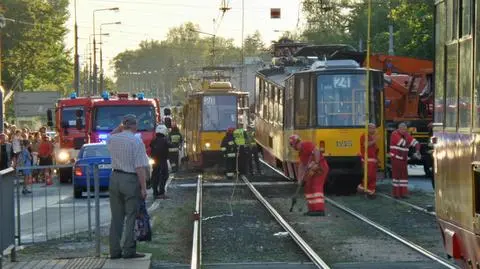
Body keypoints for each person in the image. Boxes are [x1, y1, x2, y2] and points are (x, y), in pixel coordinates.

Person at [106, 114, 148, 259]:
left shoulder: (113, 139)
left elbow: (110, 134)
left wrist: (120, 125)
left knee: (116, 217)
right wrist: (143, 187)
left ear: (123, 125)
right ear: (135, 126)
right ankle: (129, 250)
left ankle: (114, 251)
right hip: (130, 179)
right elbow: (139, 167)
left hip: (114, 178)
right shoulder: (136, 142)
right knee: (131, 215)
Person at [289, 134, 329, 216]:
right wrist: (300, 180)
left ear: (298, 143)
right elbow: (302, 166)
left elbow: (317, 151)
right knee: (308, 187)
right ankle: (312, 209)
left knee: (316, 186)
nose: (295, 148)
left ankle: (319, 209)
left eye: (295, 146)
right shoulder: (301, 153)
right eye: (294, 147)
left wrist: (316, 162)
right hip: (312, 170)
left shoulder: (307, 144)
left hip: (320, 168)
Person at [390, 122, 421, 198]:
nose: (404, 131)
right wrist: (410, 144)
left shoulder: (406, 134)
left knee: (404, 177)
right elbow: (402, 143)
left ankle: (403, 193)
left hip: (403, 159)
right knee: (397, 176)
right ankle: (396, 194)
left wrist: (417, 151)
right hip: (396, 158)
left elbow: (416, 143)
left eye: (405, 129)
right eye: (403, 129)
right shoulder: (394, 134)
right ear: (399, 128)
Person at [357, 123, 379, 198]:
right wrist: (374, 140)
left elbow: (375, 150)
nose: (373, 130)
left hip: (373, 160)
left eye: (374, 128)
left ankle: (371, 192)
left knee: (373, 177)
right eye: (372, 128)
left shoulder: (372, 137)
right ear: (368, 128)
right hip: (367, 159)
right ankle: (362, 187)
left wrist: (377, 158)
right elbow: (365, 145)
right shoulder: (364, 136)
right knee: (369, 175)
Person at [150, 124, 171, 199]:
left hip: (155, 161)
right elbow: (170, 146)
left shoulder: (153, 141)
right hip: (163, 161)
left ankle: (155, 192)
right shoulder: (165, 140)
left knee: (155, 176)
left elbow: (151, 149)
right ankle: (161, 192)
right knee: (164, 176)